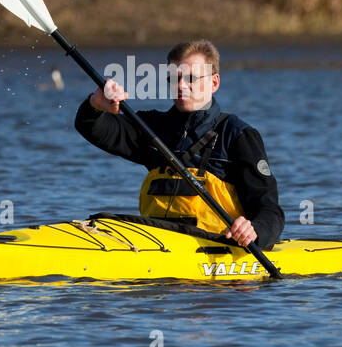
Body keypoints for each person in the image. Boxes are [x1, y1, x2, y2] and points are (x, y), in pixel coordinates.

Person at [74, 39, 284, 249]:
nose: (181, 85)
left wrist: (254, 229)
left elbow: (270, 210)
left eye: (191, 78)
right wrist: (95, 105)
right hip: (156, 244)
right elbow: (94, 129)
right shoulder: (152, 127)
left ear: (214, 83)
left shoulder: (237, 135)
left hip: (215, 249)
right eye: (174, 78)